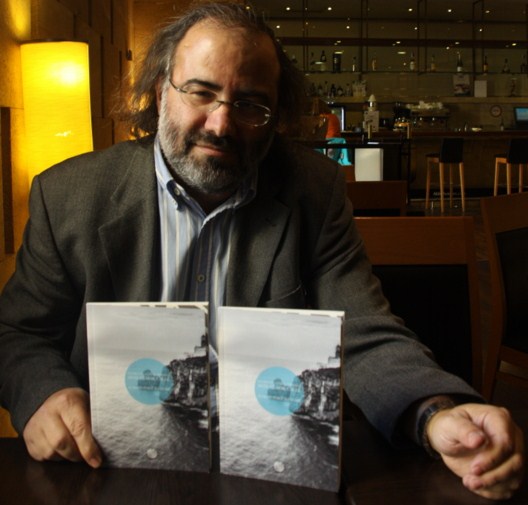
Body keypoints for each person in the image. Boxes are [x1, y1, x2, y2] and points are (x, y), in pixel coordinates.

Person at [0, 2, 523, 500]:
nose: (221, 124)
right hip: (112, 470)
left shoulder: (313, 191)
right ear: (161, 92)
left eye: (250, 103)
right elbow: (19, 333)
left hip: (269, 476)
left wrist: (436, 414)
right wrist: (43, 395)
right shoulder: (69, 196)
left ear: (277, 117)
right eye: (200, 92)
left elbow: (363, 333)